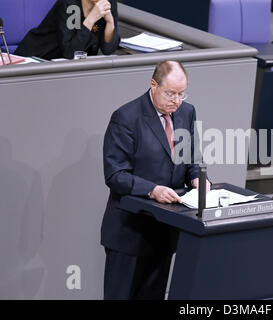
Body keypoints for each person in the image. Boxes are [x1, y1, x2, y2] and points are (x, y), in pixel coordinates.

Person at [101, 60, 210, 300]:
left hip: (165, 229)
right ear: (153, 85)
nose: (177, 101)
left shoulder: (186, 112)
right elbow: (115, 174)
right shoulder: (126, 118)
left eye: (182, 93)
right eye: (171, 93)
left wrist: (197, 179)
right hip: (130, 232)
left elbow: (190, 158)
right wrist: (152, 190)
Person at [14, 0, 120, 60]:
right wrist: (91, 19)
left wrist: (110, 22)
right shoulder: (70, 5)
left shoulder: (109, 3)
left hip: (68, 67)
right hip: (37, 58)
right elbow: (70, 52)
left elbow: (108, 50)